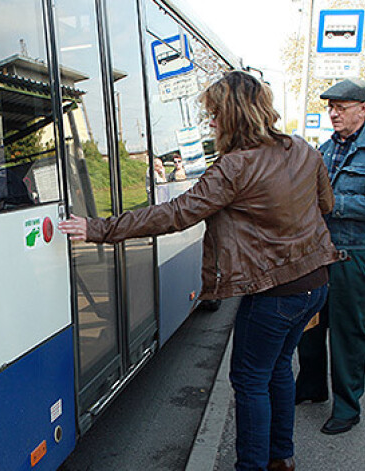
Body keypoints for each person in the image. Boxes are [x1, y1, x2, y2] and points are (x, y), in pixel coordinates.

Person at [59, 71, 339, 471]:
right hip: (315, 281)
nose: (211, 123)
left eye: (214, 114)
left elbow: (176, 213)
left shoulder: (235, 167)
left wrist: (98, 228)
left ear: (234, 115)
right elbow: (325, 205)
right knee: (277, 368)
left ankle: (254, 466)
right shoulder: (303, 149)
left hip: (276, 292)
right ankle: (281, 458)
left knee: (249, 380)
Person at [295, 78, 365, 435]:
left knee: (346, 333)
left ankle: (347, 407)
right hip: (318, 252)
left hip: (353, 255)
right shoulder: (324, 148)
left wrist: (333, 204)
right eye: (330, 108)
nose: (333, 114)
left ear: (362, 109)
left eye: (340, 107)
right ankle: (310, 387)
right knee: (309, 325)